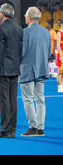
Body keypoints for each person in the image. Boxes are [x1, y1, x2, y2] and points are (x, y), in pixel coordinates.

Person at [0, 3, 23, 138]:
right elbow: (21, 50)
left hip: (2, 70)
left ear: (2, 13)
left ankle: (5, 130)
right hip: (14, 69)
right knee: (13, 100)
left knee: (3, 101)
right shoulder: (19, 29)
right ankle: (12, 130)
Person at [19, 7, 51, 136]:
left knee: (28, 99)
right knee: (40, 99)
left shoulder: (25, 32)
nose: (25, 17)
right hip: (42, 69)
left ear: (30, 17)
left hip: (27, 69)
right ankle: (40, 128)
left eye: (26, 15)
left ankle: (32, 127)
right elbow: (48, 52)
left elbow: (22, 52)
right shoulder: (46, 32)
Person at [56, 19, 63, 92]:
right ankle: (59, 86)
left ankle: (62, 84)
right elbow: (58, 45)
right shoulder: (59, 33)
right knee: (59, 71)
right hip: (60, 53)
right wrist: (61, 55)